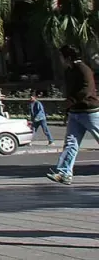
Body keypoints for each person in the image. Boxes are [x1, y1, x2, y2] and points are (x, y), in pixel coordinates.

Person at [47, 45, 99, 185]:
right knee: (71, 143)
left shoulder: (83, 69)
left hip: (89, 111)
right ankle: (64, 173)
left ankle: (64, 172)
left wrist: (71, 101)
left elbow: (86, 89)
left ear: (68, 57)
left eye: (61, 56)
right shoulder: (69, 71)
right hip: (75, 112)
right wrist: (68, 110)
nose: (60, 59)